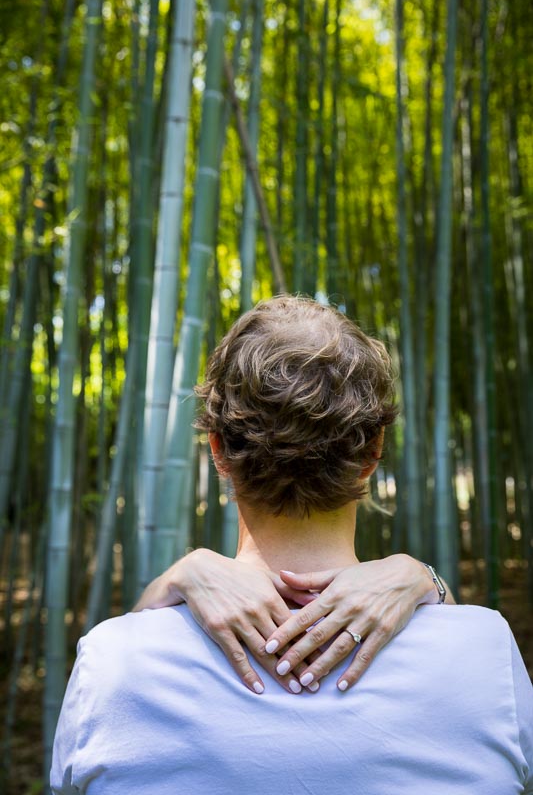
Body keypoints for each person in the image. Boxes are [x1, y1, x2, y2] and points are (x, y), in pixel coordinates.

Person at [51, 296, 533, 794]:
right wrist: (425, 578)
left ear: (218, 452)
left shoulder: (113, 662)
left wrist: (173, 579)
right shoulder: (487, 651)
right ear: (374, 453)